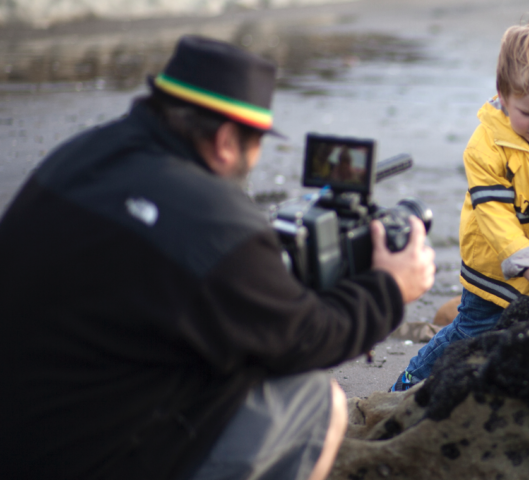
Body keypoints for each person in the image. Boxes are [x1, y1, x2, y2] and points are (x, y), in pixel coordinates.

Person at [0, 35, 435, 480]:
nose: (257, 155)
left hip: (20, 431)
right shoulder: (213, 222)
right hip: (92, 460)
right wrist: (388, 287)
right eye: (257, 141)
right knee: (315, 401)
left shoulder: (77, 157)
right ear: (227, 140)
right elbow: (308, 339)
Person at [391, 21, 529, 391]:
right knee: (472, 333)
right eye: (527, 114)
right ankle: (411, 380)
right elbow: (493, 214)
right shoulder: (486, 145)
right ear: (503, 96)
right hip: (495, 270)